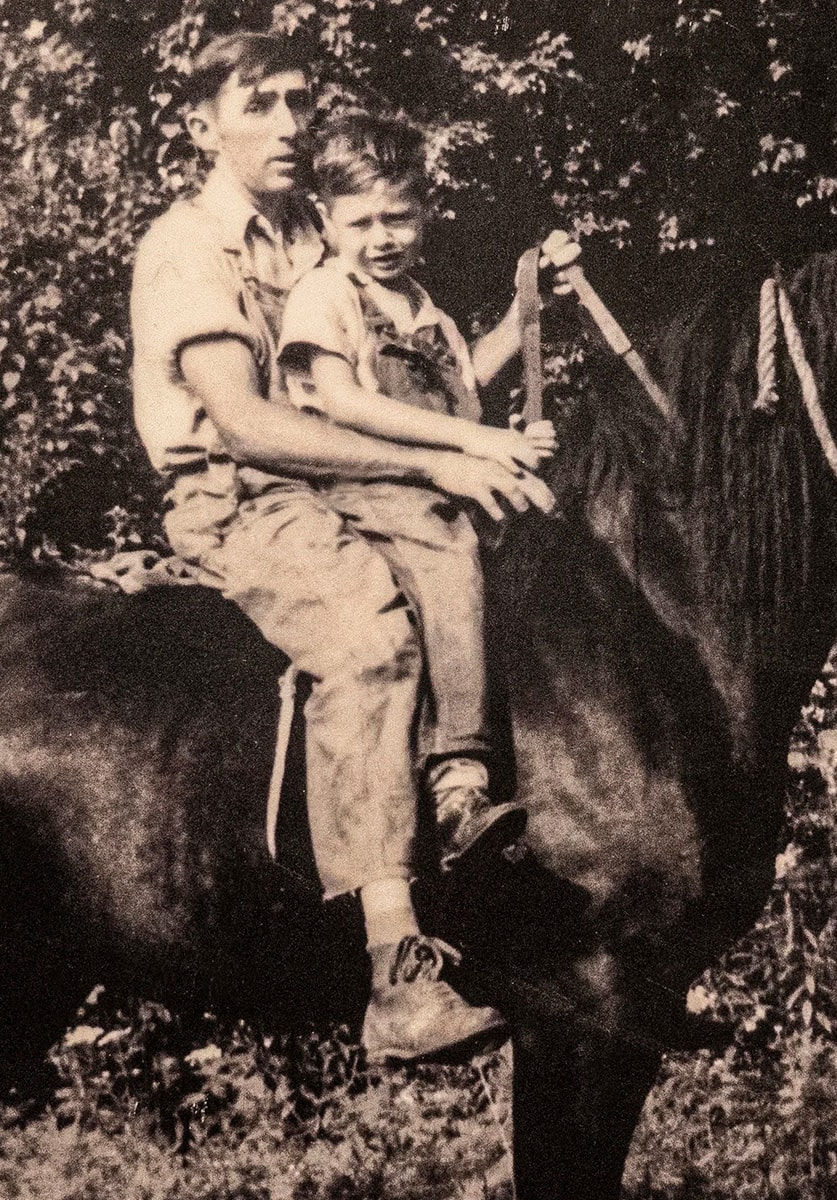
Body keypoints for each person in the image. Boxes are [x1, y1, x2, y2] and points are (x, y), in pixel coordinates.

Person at [125, 31, 556, 1064]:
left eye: (298, 102)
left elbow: (398, 379)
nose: (287, 125)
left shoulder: (316, 240)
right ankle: (394, 973)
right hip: (240, 497)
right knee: (369, 642)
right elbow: (250, 424)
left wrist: (520, 313)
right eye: (259, 104)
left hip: (332, 477)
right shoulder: (190, 248)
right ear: (200, 125)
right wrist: (432, 465)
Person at [277, 112, 573, 874]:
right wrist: (478, 443)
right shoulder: (324, 295)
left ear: (426, 212)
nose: (382, 237)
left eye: (399, 217)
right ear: (325, 221)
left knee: (541, 535)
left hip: (437, 480)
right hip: (365, 482)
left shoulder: (425, 307)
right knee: (448, 545)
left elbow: (466, 386)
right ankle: (457, 780)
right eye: (362, 221)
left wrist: (527, 307)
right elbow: (344, 402)